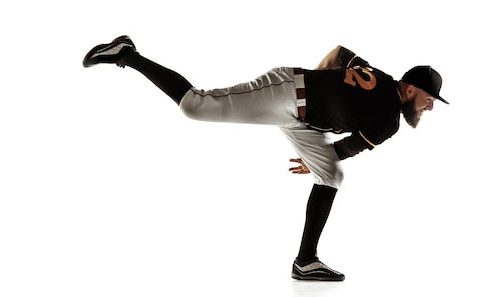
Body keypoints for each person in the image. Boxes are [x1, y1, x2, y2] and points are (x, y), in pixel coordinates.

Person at [82, 35, 449, 281]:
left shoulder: (382, 77)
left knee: (331, 176)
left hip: (302, 112)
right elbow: (350, 146)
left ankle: (305, 261)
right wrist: (318, 130)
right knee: (196, 105)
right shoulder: (390, 121)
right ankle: (127, 54)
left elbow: (338, 54)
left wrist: (323, 97)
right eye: (429, 99)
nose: (429, 107)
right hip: (287, 95)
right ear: (412, 88)